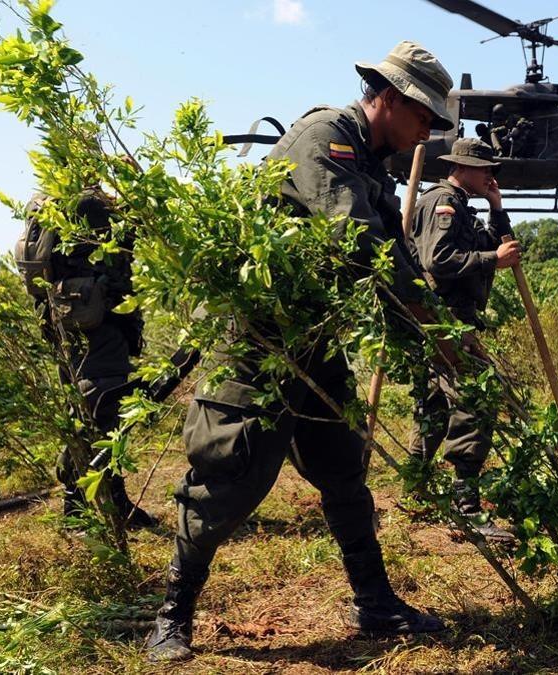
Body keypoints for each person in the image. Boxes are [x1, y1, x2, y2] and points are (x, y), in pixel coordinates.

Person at [146, 41, 455, 662]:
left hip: (313, 340)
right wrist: (427, 316)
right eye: (423, 117)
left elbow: (390, 253)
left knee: (343, 466)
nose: (427, 133)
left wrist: (426, 314)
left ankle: (374, 602)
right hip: (258, 340)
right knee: (228, 473)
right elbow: (357, 237)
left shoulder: (372, 160)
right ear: (390, 99)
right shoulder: (325, 138)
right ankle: (172, 614)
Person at [20, 188, 157, 530]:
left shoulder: (51, 198)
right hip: (100, 322)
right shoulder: (89, 203)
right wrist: (128, 192)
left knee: (86, 409)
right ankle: (76, 508)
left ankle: (111, 499)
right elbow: (130, 231)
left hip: (69, 319)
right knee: (101, 408)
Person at [406, 137, 521, 542]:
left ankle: (415, 488)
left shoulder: (464, 204)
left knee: (436, 404)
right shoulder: (444, 202)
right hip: (444, 321)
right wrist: (493, 261)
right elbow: (437, 259)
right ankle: (466, 506)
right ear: (462, 168)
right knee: (476, 397)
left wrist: (496, 209)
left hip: (447, 321)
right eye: (485, 169)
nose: (491, 175)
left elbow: (498, 246)